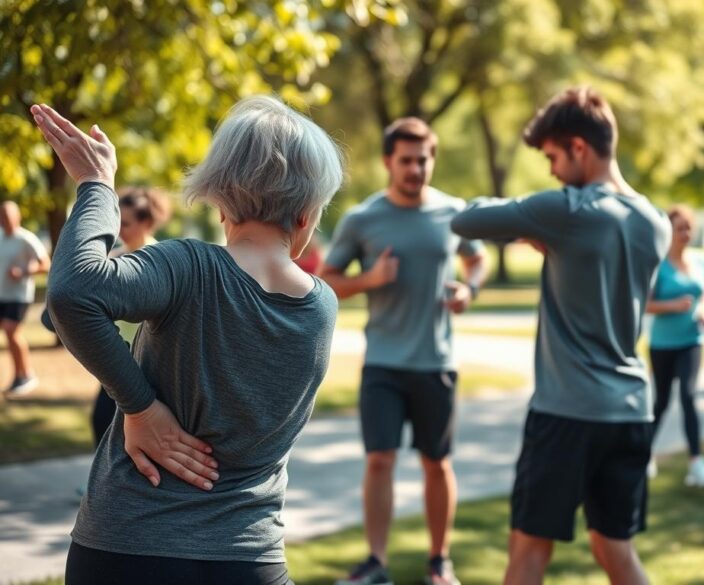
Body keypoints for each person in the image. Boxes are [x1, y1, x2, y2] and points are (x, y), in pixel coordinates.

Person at [32, 96, 342, 585]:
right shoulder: (322, 308)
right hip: (250, 559)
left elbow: (72, 295)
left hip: (127, 547)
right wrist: (142, 407)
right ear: (306, 214)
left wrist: (95, 186)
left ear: (220, 198)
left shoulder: (188, 267)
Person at [450, 86, 670, 585]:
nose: (550, 169)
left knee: (528, 551)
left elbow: (467, 220)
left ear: (578, 147)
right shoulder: (653, 221)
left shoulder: (567, 211)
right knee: (617, 551)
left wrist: (534, 221)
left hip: (567, 414)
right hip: (632, 410)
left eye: (552, 156)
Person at [322, 117, 488, 585]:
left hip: (436, 362)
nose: (416, 169)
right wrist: (369, 280)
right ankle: (376, 562)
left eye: (424, 159)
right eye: (407, 160)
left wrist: (469, 291)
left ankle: (440, 561)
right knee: (380, 460)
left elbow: (477, 258)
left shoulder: (453, 213)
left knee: (437, 463)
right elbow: (327, 283)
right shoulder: (363, 219)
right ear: (387, 162)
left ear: (432, 159)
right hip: (383, 364)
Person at [89, 187, 172, 447]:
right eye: (117, 223)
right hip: (118, 353)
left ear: (146, 222)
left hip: (149, 358)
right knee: (102, 421)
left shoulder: (160, 258)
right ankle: (105, 481)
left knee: (124, 425)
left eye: (126, 223)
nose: (120, 229)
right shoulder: (114, 257)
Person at [645, 204, 704, 487]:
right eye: (680, 228)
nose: (685, 233)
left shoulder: (700, 261)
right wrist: (673, 305)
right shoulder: (658, 265)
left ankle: (697, 463)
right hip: (663, 343)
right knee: (661, 402)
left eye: (689, 227)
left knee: (688, 396)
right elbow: (645, 305)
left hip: (693, 340)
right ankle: (644, 454)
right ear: (669, 231)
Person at [0, 201, 51, 395]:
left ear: (17, 217)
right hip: (1, 294)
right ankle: (18, 376)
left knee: (11, 331)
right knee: (9, 334)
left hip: (19, 295)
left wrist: (24, 271)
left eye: (9, 217)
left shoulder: (26, 239)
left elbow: (46, 264)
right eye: (2, 217)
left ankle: (26, 375)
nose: (6, 221)